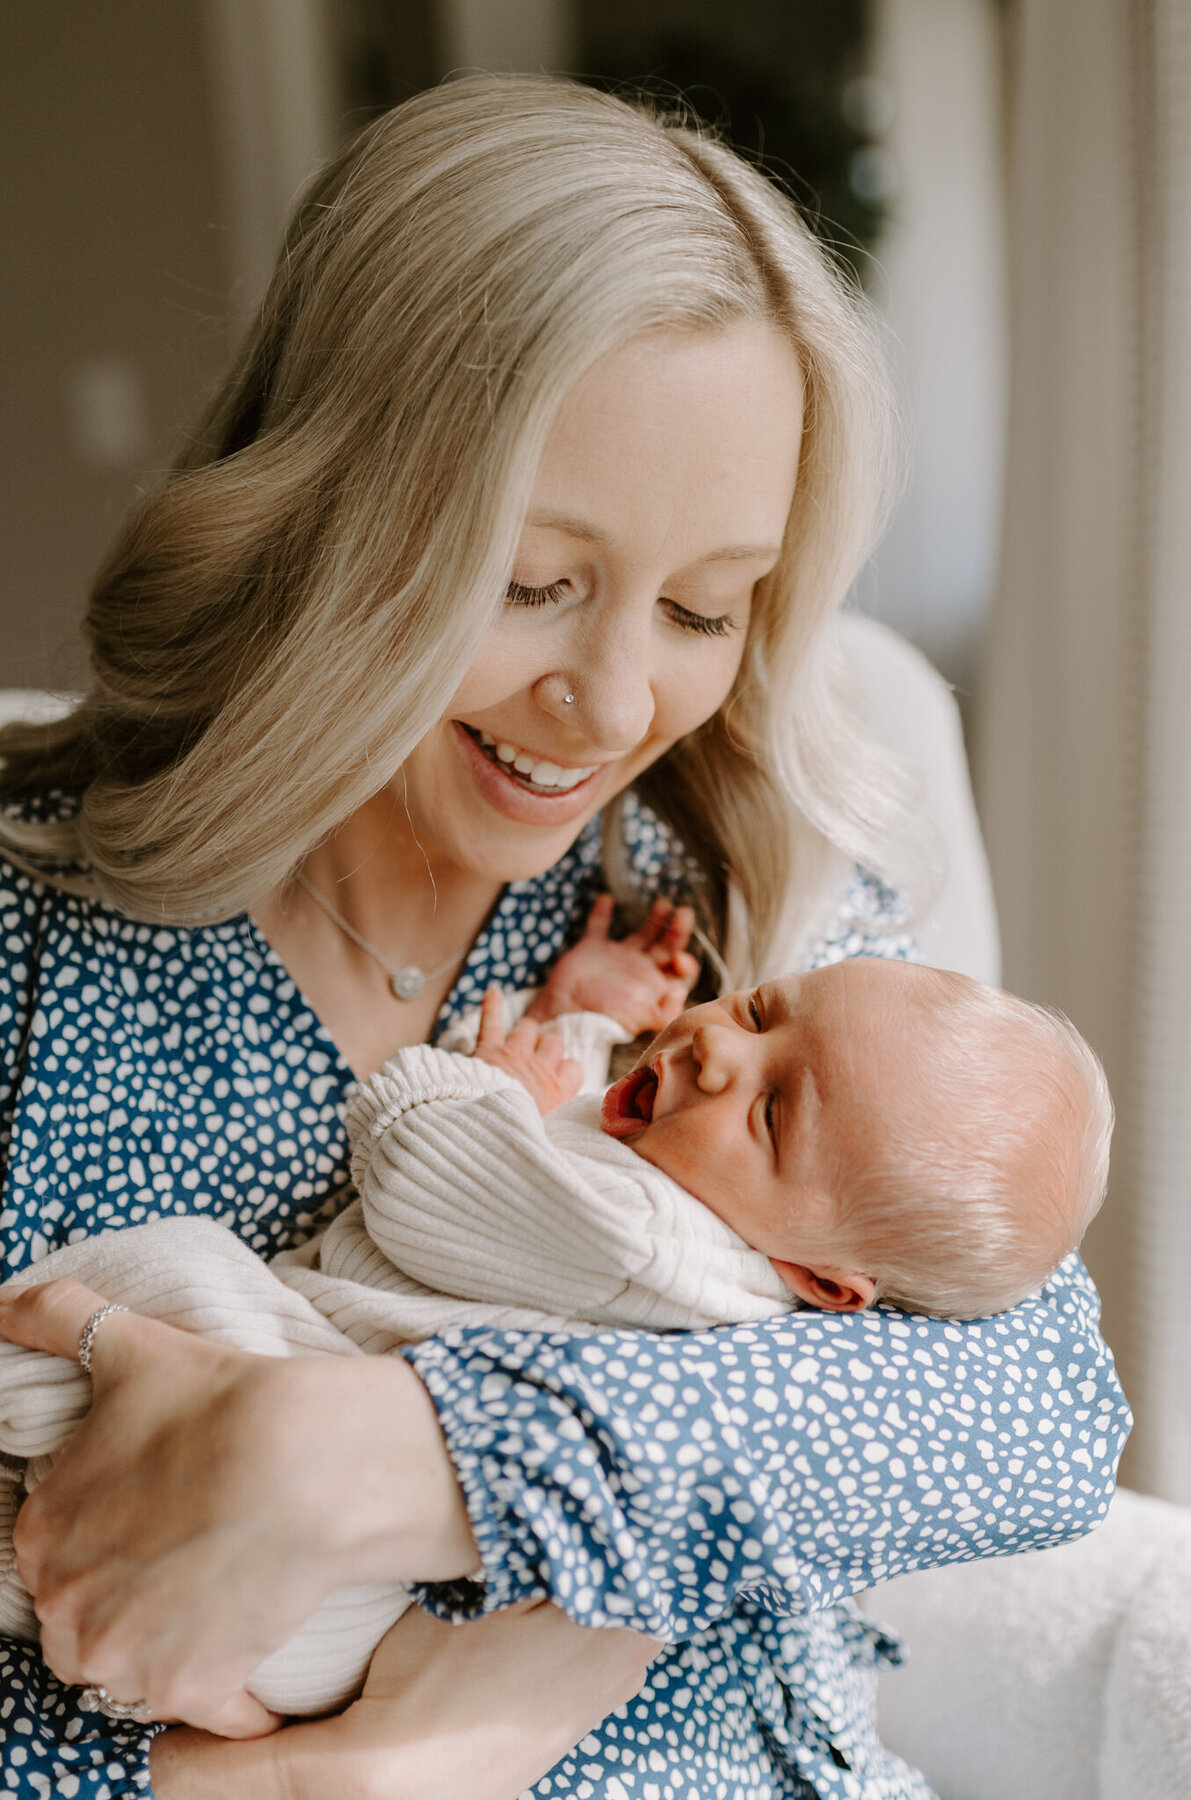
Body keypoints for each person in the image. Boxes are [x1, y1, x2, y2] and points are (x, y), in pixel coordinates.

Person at [0, 74, 1128, 1800]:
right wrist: (323, 1783)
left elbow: (1035, 1413)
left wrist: (381, 1454)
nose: (612, 702)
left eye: (702, 608)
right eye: (530, 581)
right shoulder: (41, 952)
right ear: (323, 508)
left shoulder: (740, 909)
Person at [0, 921, 1114, 1723]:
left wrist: (459, 1083)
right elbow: (574, 1121)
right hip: (329, 1622)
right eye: (766, 1008)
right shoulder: (698, 1210)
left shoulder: (641, 1230)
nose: (720, 1048)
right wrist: (583, 1011)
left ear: (825, 1282)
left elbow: (433, 1178)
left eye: (773, 1111)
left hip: (277, 1408)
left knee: (177, 1272)